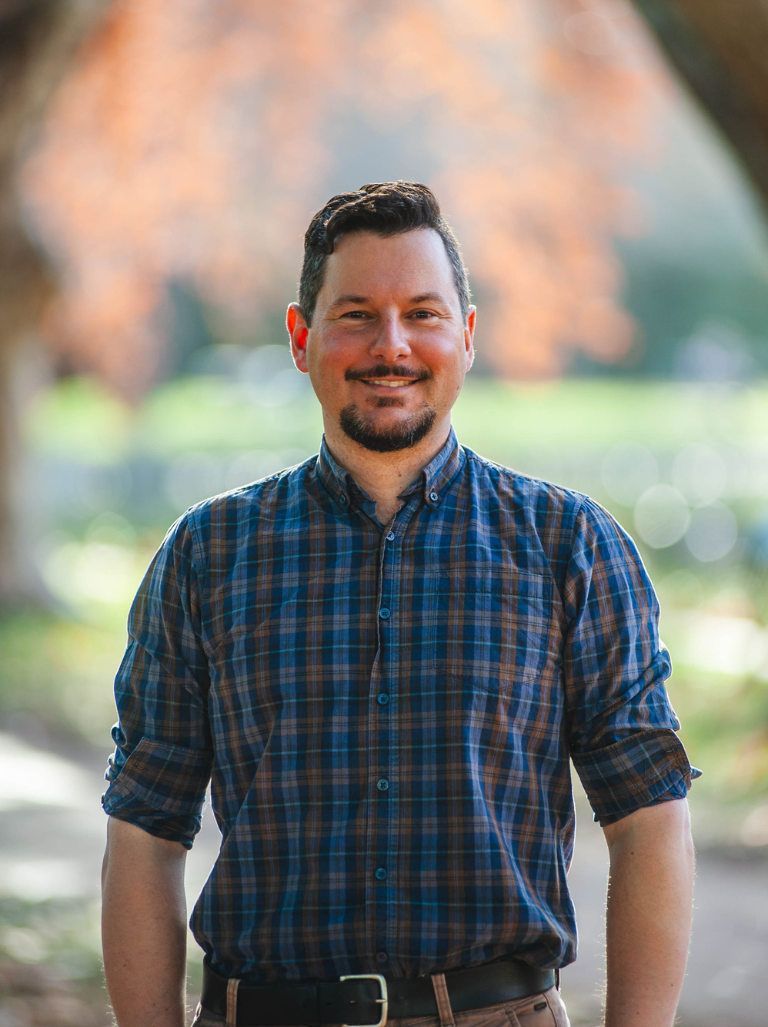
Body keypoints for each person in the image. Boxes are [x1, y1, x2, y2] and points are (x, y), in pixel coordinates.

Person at [101, 181, 698, 1027]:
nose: (392, 345)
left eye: (422, 312)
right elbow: (145, 832)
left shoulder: (572, 547)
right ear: (301, 338)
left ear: (466, 334)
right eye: (355, 314)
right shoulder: (208, 555)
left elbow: (648, 818)